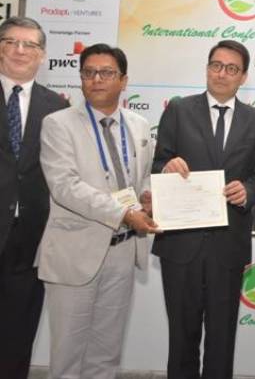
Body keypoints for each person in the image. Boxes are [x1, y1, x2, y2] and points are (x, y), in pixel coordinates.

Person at [37, 43, 159, 378]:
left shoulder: (139, 125)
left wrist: (148, 196)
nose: (96, 79)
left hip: (123, 250)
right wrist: (124, 214)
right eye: (89, 72)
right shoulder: (58, 124)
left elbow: (142, 176)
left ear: (124, 80)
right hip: (75, 251)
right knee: (67, 357)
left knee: (106, 355)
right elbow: (65, 187)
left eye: (106, 73)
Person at [152, 40, 255, 379]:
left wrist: (248, 191)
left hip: (228, 245)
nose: (222, 73)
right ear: (206, 68)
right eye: (216, 65)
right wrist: (167, 166)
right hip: (180, 243)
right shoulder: (178, 109)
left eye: (231, 68)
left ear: (243, 77)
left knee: (222, 338)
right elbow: (157, 163)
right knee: (181, 338)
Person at [0, 16, 68, 379]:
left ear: (42, 55)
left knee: (18, 332)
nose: (20, 50)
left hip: (31, 238)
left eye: (30, 44)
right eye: (11, 42)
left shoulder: (57, 107)